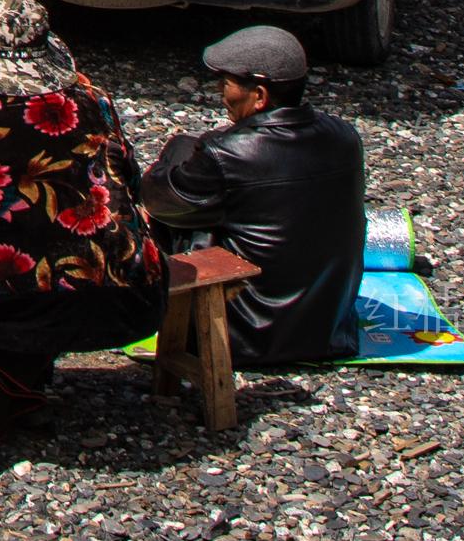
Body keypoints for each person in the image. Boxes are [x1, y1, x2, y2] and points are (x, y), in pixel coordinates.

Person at [0, 0, 163, 408]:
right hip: (124, 297)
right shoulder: (96, 102)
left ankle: (10, 379)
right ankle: (25, 374)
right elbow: (130, 184)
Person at [139, 23, 369, 368]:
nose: (220, 93)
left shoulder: (226, 153)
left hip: (242, 337)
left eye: (226, 84)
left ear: (259, 96)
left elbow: (157, 200)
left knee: (163, 211)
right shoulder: (345, 137)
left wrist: (175, 152)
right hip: (329, 332)